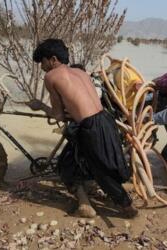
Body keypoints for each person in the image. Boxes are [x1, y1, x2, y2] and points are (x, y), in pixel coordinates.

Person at [26, 39, 138, 218]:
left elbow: (58, 116)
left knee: (99, 169)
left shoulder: (51, 77)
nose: (42, 67)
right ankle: (85, 203)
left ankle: (126, 207)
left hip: (89, 128)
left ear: (53, 59)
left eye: (43, 62)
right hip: (105, 120)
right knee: (71, 162)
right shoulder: (80, 72)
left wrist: (39, 106)